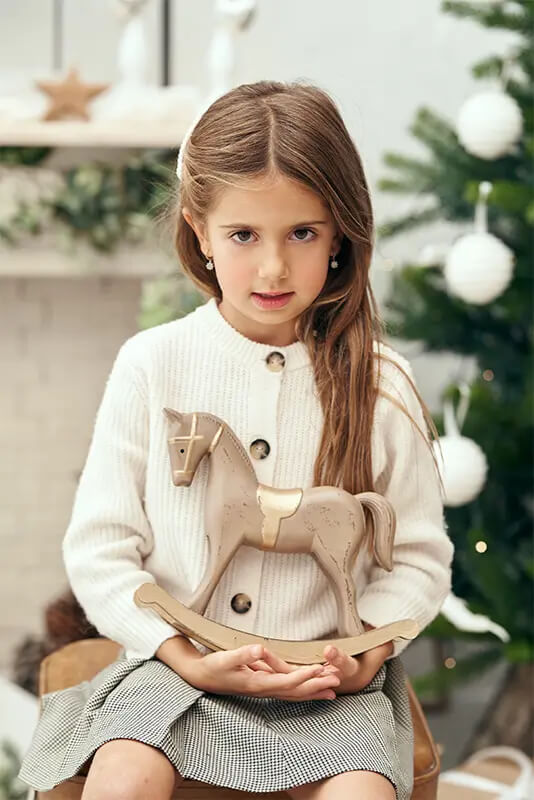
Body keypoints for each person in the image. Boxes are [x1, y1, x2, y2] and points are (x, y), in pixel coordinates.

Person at [18, 80, 454, 800]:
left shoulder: (383, 383)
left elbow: (418, 556)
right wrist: (180, 654)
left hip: (329, 693)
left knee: (364, 794)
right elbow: (99, 547)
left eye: (303, 234)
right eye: (244, 235)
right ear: (199, 230)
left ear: (341, 233)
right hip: (175, 674)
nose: (274, 268)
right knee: (124, 775)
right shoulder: (152, 364)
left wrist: (367, 650)